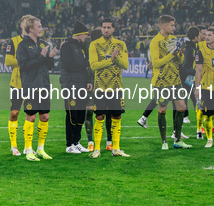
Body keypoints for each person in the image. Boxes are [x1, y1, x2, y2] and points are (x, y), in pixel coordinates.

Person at [16, 15, 58, 162]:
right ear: (31, 29)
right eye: (39, 26)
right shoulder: (22, 46)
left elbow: (48, 66)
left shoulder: (43, 44)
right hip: (31, 85)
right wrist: (41, 56)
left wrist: (50, 57)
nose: (42, 29)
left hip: (44, 84)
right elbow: (24, 65)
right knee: (31, 117)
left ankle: (40, 149)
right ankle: (28, 150)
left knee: (45, 117)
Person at [88, 19, 130, 158]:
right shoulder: (94, 44)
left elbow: (125, 65)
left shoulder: (120, 44)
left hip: (116, 87)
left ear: (113, 29)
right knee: (99, 116)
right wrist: (110, 60)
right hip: (100, 87)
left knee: (116, 116)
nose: (106, 30)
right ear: (101, 29)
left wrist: (116, 58)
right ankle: (97, 149)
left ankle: (116, 148)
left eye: (109, 28)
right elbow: (93, 65)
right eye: (104, 27)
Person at [149, 15, 191, 150]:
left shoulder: (174, 39)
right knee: (162, 110)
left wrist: (180, 54)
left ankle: (177, 140)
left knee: (181, 107)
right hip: (161, 81)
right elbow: (155, 63)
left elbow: (179, 62)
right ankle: (164, 141)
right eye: (172, 25)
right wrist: (172, 54)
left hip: (175, 80)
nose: (174, 27)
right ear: (164, 26)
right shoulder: (155, 42)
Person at [59, 20, 92, 154]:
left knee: (80, 115)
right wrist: (85, 62)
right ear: (79, 34)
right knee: (72, 114)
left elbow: (85, 66)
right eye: (85, 35)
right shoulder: (66, 46)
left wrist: (88, 80)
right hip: (70, 84)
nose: (86, 37)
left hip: (81, 84)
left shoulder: (81, 47)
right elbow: (69, 65)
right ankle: (69, 144)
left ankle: (77, 142)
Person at [4, 15, 30, 156]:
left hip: (32, 84)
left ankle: (27, 146)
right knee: (14, 113)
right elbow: (8, 61)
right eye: (25, 22)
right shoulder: (13, 41)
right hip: (17, 83)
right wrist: (27, 60)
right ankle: (14, 146)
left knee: (30, 115)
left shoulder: (37, 41)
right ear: (21, 25)